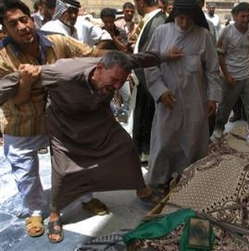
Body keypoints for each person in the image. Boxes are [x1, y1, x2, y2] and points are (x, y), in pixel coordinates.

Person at [0, 50, 182, 243]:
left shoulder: (119, 64)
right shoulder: (65, 72)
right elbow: (15, 79)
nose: (117, 86)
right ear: (100, 68)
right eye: (114, 80)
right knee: (63, 172)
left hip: (98, 122)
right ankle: (55, 214)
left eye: (121, 82)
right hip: (65, 129)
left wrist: (165, 56)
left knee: (126, 147)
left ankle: (141, 190)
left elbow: (141, 58)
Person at [0, 0, 104, 239]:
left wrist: (118, 59)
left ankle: (85, 196)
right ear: (5, 29)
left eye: (23, 19)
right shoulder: (2, 57)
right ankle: (35, 211)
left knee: (76, 157)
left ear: (32, 18)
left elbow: (90, 55)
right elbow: (17, 100)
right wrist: (25, 80)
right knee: (25, 169)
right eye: (12, 23)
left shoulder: (57, 41)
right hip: (20, 121)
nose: (22, 27)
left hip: (59, 117)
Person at [144, 0, 222, 193]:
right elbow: (150, 64)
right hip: (168, 98)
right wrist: (160, 92)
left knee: (193, 140)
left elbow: (212, 70)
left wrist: (212, 97)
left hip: (196, 99)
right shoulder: (162, 32)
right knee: (164, 141)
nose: (185, 23)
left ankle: (187, 181)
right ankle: (160, 182)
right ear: (174, 15)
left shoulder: (203, 35)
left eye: (189, 19)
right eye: (181, 18)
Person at [212, 2, 249, 141]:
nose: (246, 19)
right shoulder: (227, 31)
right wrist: (227, 74)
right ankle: (218, 128)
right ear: (235, 16)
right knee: (225, 105)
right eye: (243, 16)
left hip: (247, 74)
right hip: (231, 76)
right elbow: (220, 54)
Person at [130, 0, 166, 163]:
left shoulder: (158, 22)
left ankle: (147, 154)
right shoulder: (150, 19)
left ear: (141, 2)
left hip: (148, 80)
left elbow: (151, 57)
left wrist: (141, 78)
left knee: (146, 118)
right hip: (141, 78)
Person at [41, 0, 105, 47]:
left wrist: (92, 53)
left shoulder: (82, 25)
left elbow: (106, 36)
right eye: (69, 12)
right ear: (61, 12)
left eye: (75, 12)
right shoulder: (47, 29)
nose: (73, 15)